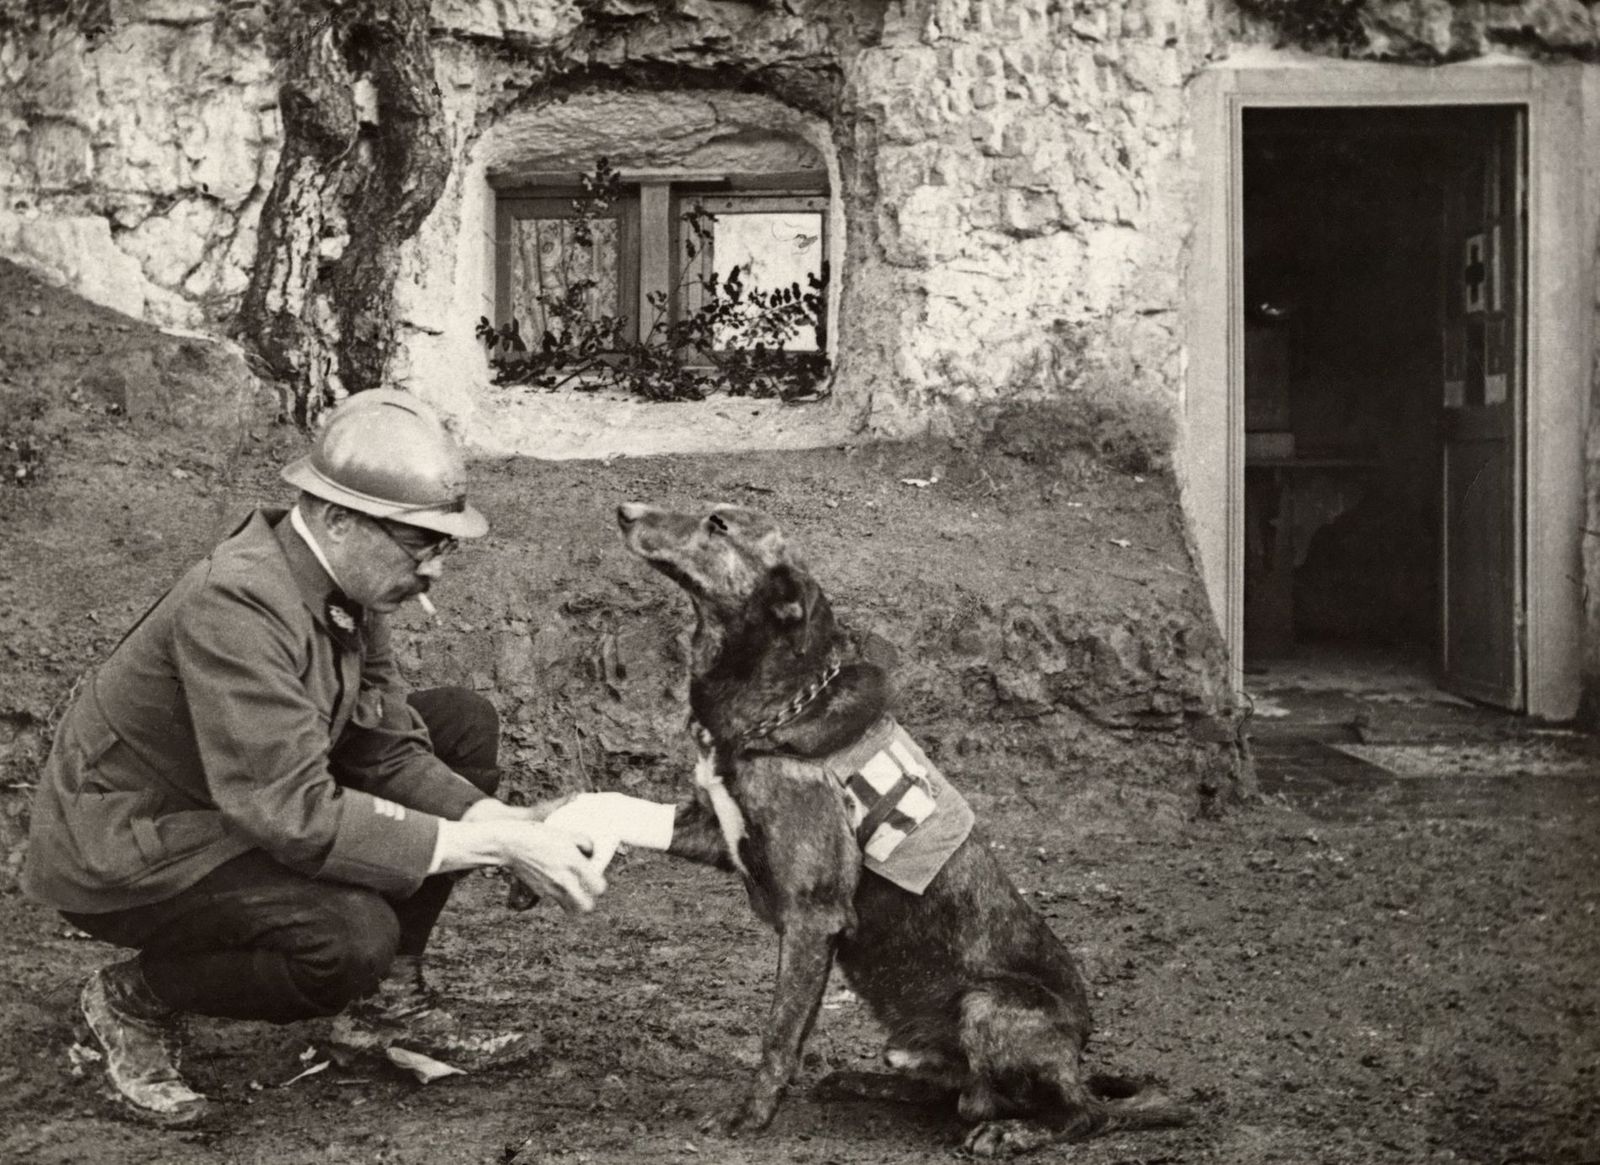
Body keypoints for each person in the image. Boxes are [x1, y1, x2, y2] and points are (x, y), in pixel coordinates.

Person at [20, 389, 672, 1127]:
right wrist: (490, 842)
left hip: (234, 804)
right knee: (348, 938)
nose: (434, 570)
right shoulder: (236, 600)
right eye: (421, 543)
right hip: (138, 844)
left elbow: (387, 743)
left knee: (458, 725)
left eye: (442, 545)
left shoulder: (345, 585)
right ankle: (136, 993)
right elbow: (290, 812)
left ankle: (385, 1009)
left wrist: (509, 821)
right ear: (336, 518)